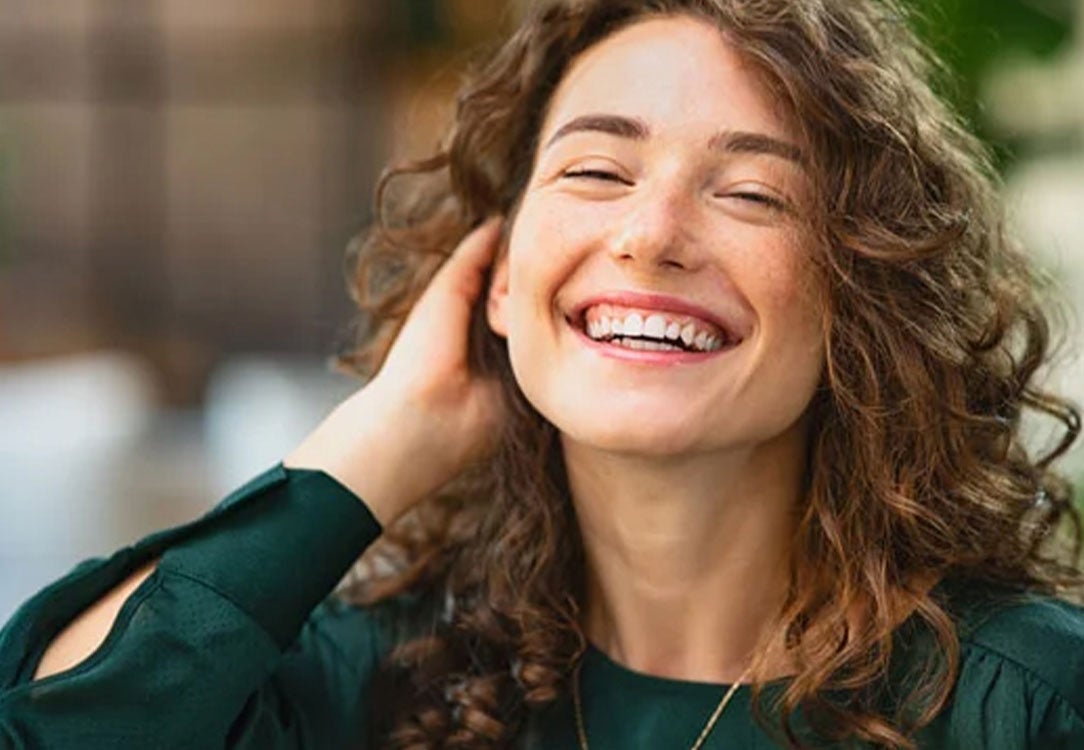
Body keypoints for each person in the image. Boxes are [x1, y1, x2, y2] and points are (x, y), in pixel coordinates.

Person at [2, 0, 1083, 747]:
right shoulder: (384, 686)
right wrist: (388, 431)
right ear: (500, 277)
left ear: (864, 293)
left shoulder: (1021, 700)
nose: (650, 234)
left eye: (752, 194)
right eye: (596, 171)